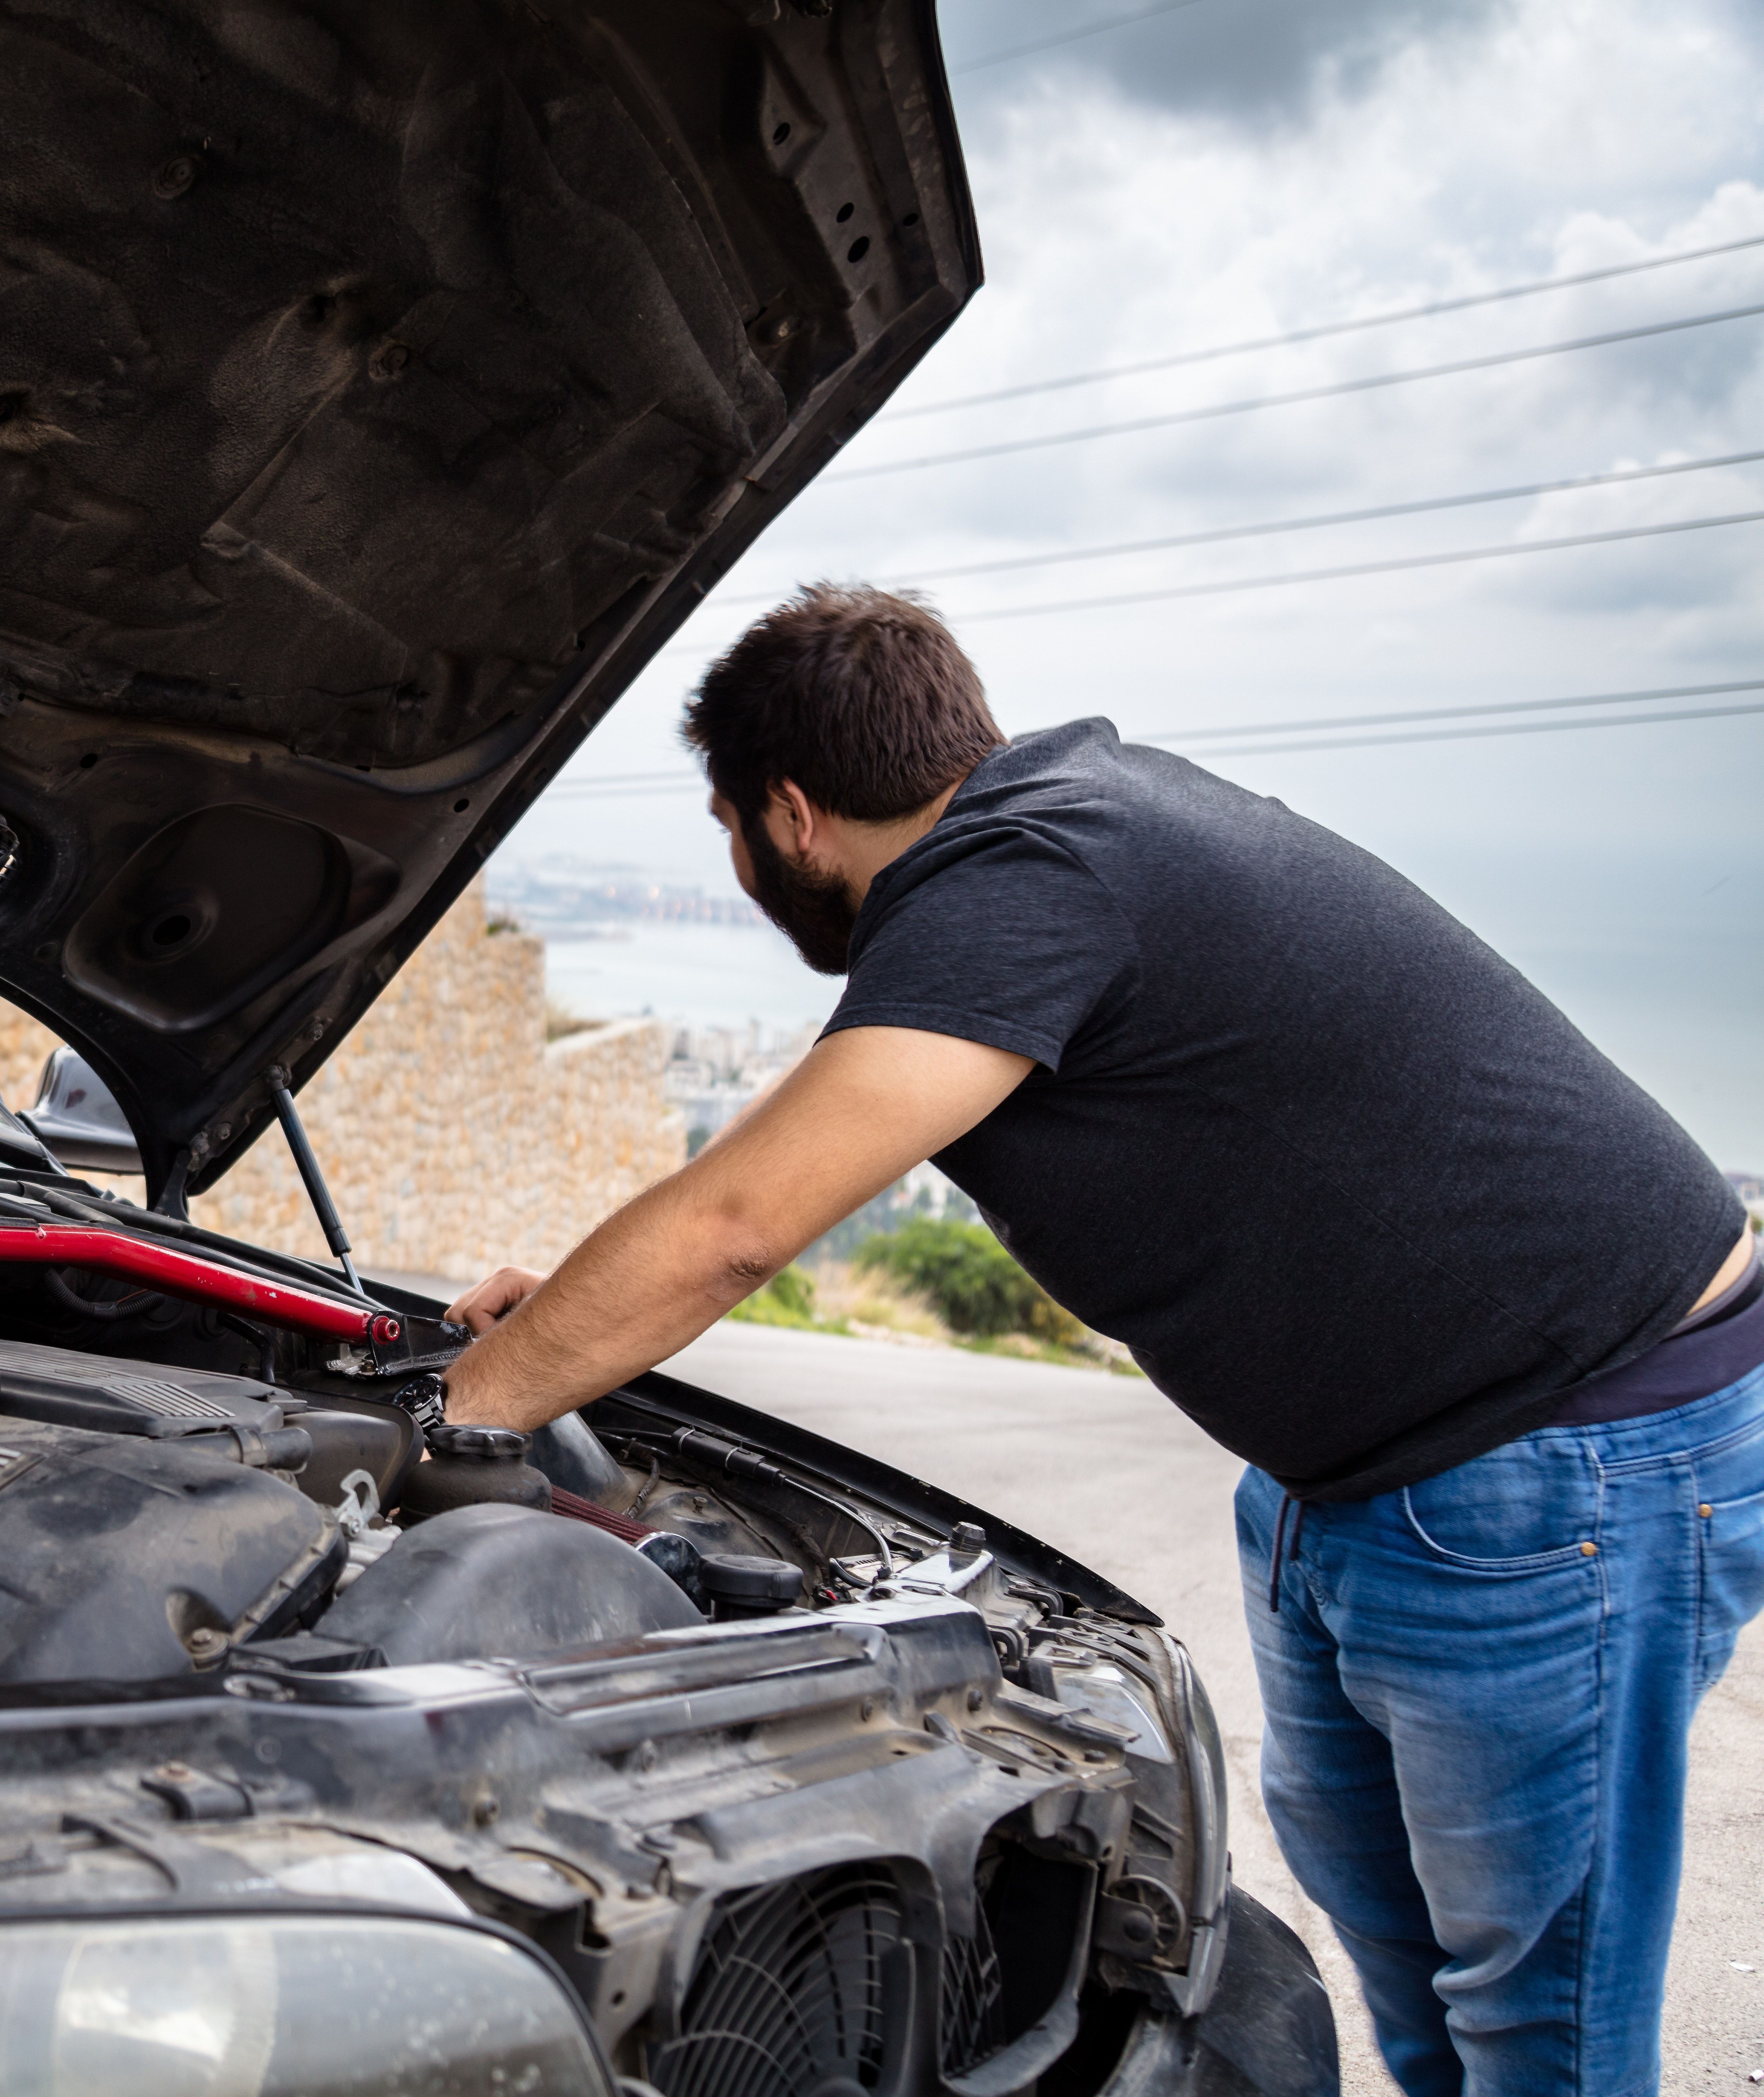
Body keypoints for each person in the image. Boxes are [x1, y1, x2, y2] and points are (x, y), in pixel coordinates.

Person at [434, 584, 1760, 2097]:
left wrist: (455, 1415)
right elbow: (780, 1142)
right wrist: (566, 1318)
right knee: (1402, 1944)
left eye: (726, 829)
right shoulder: (1034, 843)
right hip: (1383, 1469)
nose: (737, 863)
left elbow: (734, 1229)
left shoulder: (1026, 875)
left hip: (1566, 1458)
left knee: (1543, 2019)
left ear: (788, 815)